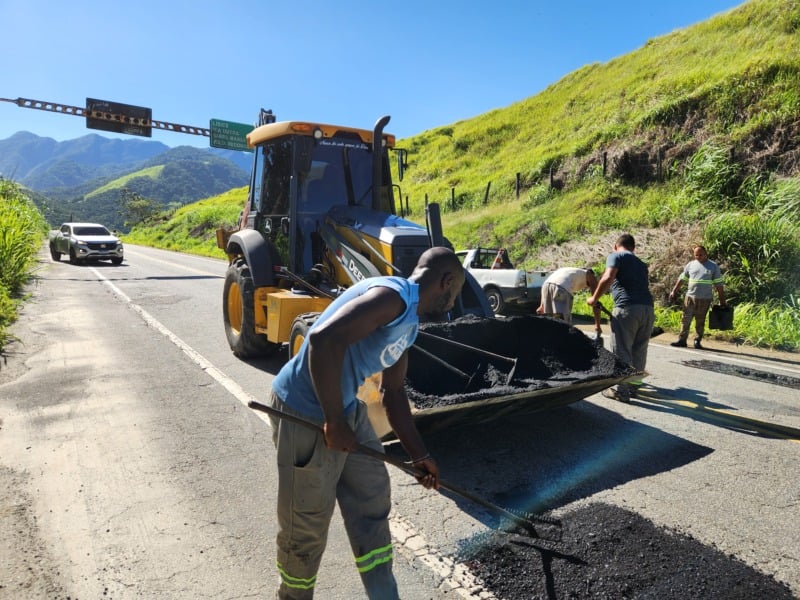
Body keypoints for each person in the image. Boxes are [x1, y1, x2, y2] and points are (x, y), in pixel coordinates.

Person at [266, 246, 465, 600]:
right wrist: (333, 421)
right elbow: (323, 339)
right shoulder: (392, 297)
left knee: (372, 501)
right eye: (456, 292)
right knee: (306, 523)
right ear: (447, 281)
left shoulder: (410, 323)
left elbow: (393, 392)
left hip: (345, 407)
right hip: (304, 408)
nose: (453, 302)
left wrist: (420, 456)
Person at [586, 233, 654, 402]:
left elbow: (609, 276)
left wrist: (594, 298)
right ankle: (633, 387)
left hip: (627, 308)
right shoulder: (641, 264)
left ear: (616, 246)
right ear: (634, 248)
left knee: (621, 349)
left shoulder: (616, 256)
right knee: (639, 349)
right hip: (647, 309)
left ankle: (620, 390)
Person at [668, 244, 726, 349]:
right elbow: (682, 279)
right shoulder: (690, 265)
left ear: (706, 254)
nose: (699, 257)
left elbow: (719, 285)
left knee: (700, 320)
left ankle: (697, 340)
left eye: (701, 254)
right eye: (696, 255)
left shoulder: (713, 266)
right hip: (690, 297)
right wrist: (674, 291)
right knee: (685, 319)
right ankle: (682, 340)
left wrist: (722, 300)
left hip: (704, 299)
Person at [537, 266, 603, 335]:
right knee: (563, 324)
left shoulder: (572, 272)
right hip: (561, 288)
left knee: (550, 321)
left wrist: (542, 305)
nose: (586, 287)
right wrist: (597, 325)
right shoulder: (590, 276)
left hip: (545, 286)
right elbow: (595, 303)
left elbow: (550, 283)